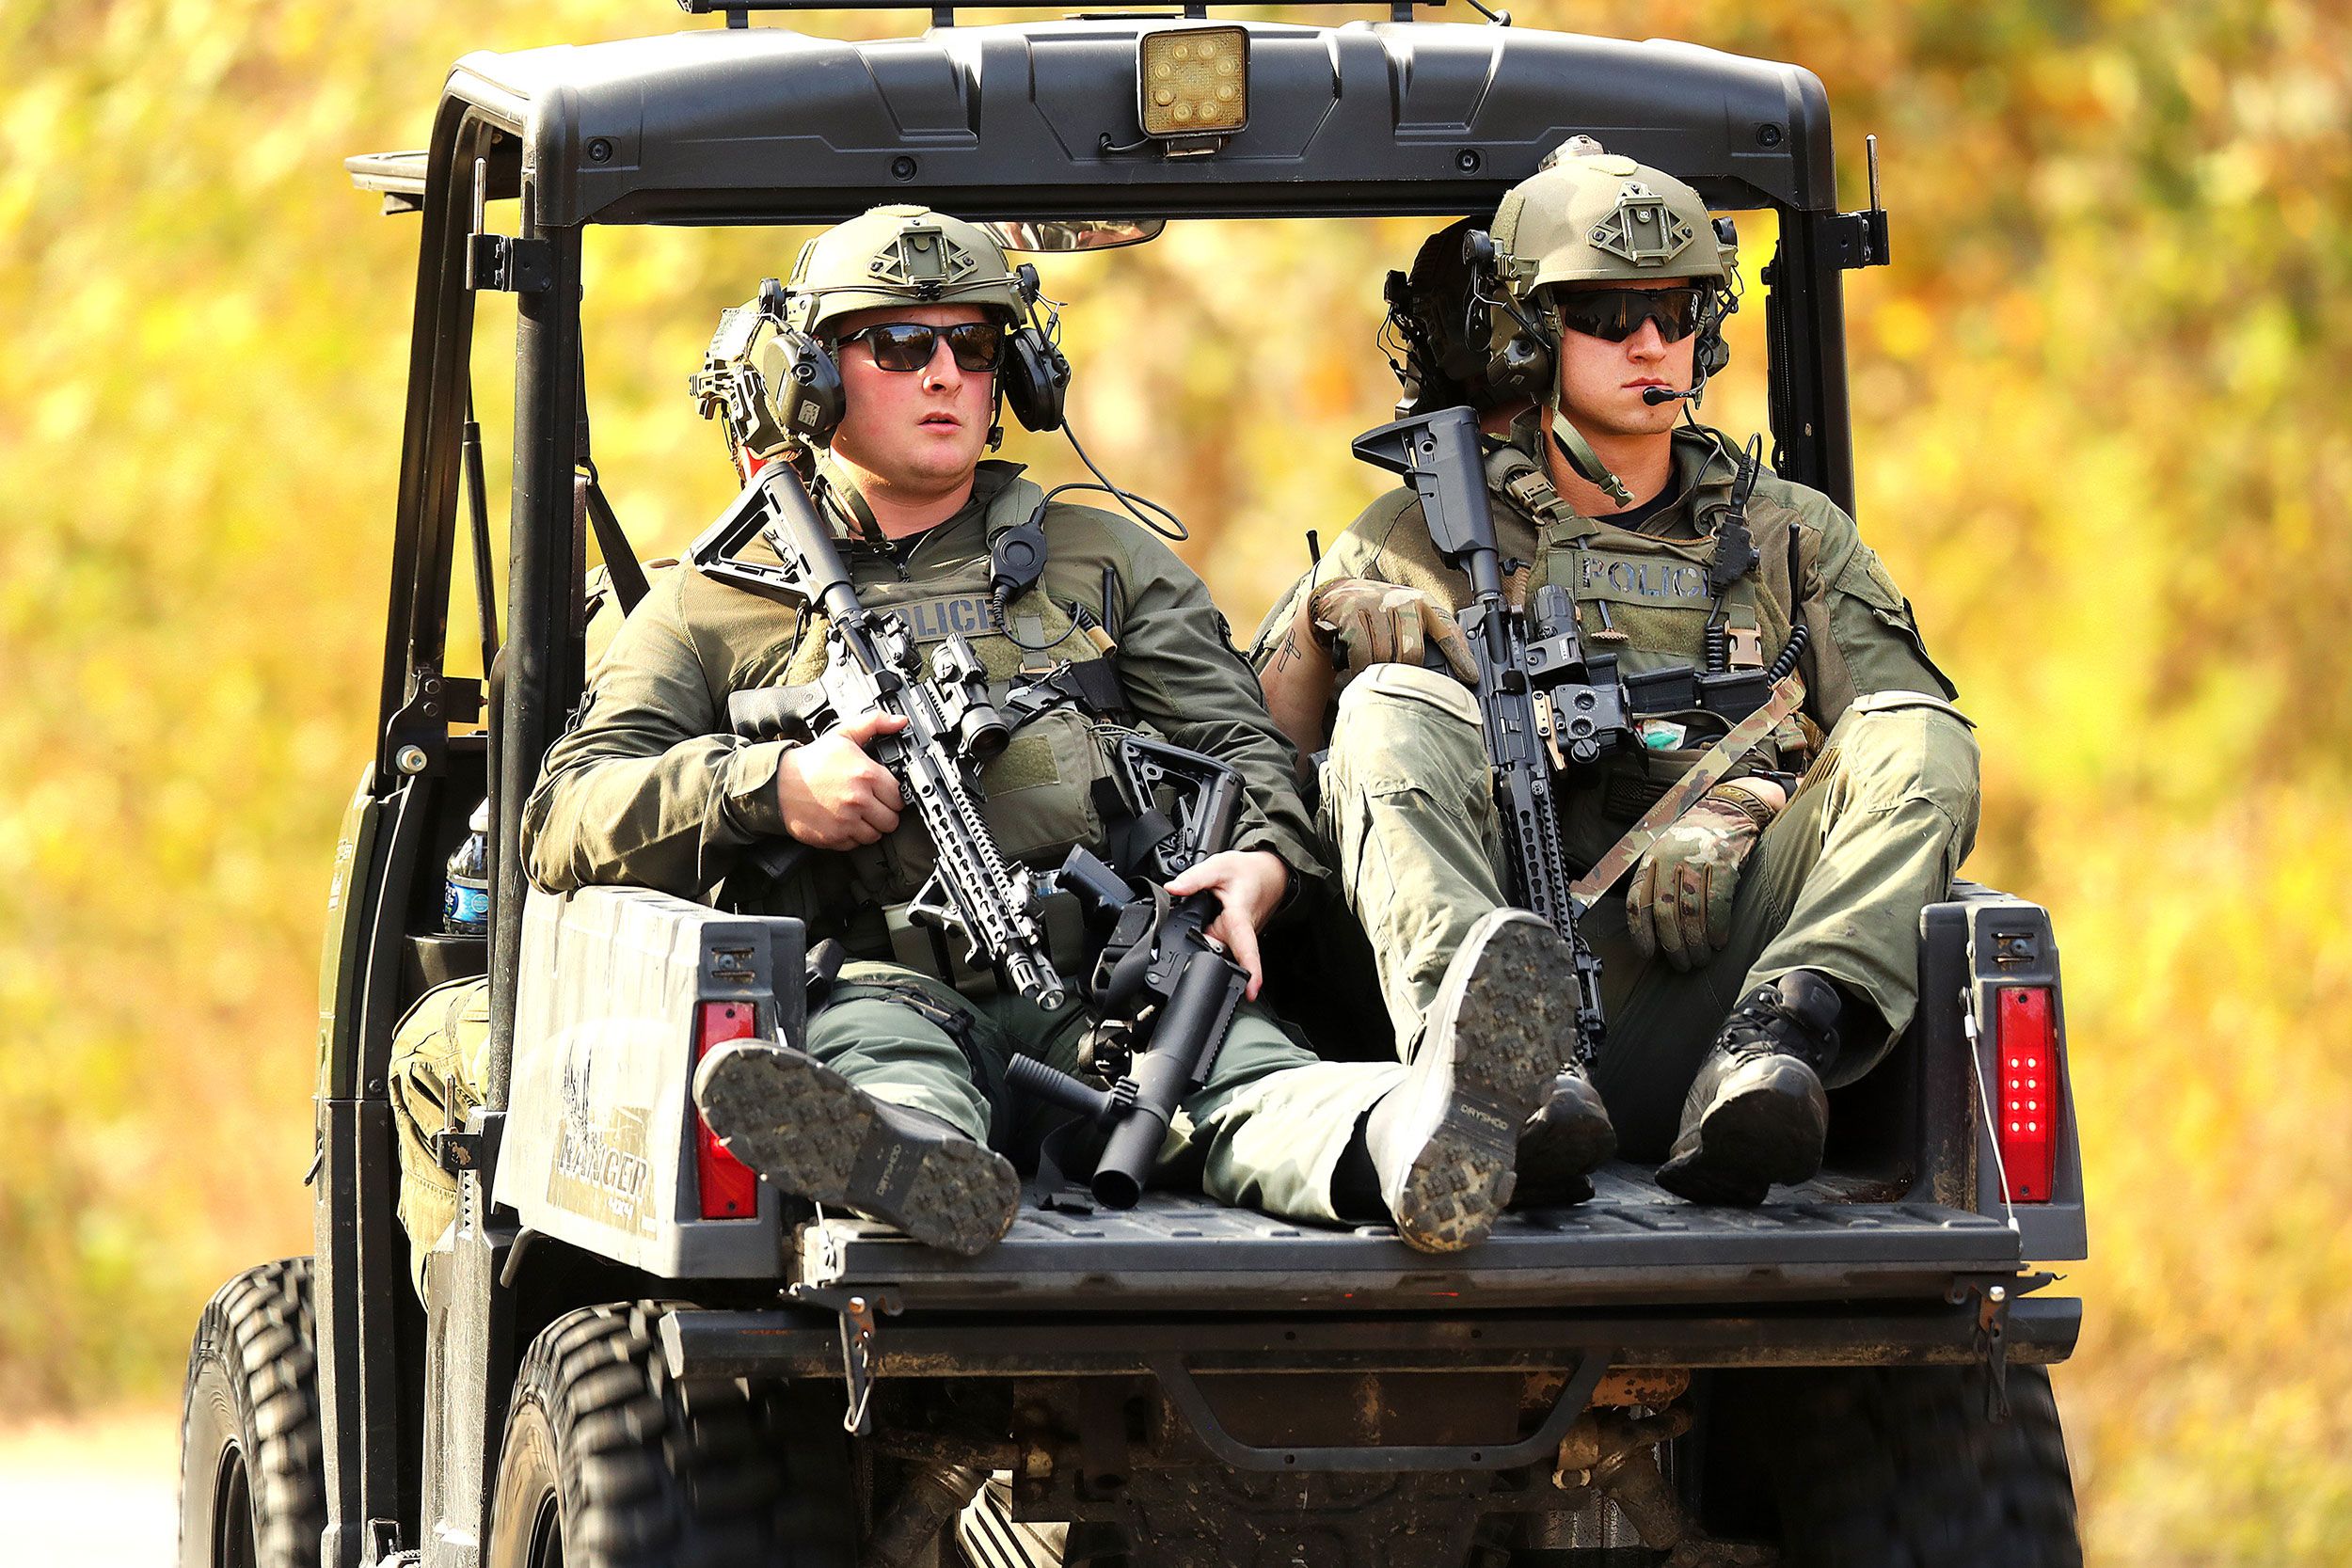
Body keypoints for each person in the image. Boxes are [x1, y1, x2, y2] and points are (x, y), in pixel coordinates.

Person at [381, 206, 1565, 1294]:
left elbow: (1244, 748)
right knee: (891, 1079)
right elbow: (565, 814)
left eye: (976, 345)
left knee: (1252, 1085)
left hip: (1118, 959)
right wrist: (773, 787)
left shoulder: (1101, 559)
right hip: (879, 976)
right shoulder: (709, 604)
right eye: (899, 345)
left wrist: (1258, 866)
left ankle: (1417, 1139)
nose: (946, 373)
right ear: (809, 377)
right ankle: (920, 1176)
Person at [1253, 143, 1980, 1206]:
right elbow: (1255, 762)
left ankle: (1781, 1037)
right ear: (1533, 333)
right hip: (1477, 1025)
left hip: (1706, 1000)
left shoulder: (1790, 535)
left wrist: (1744, 803)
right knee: (1386, 706)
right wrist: (1327, 626)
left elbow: (1891, 766)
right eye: (1606, 314)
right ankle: (1491, 1064)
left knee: (1922, 728)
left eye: (1676, 311)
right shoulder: (1425, 525)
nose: (1651, 343)